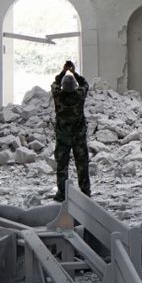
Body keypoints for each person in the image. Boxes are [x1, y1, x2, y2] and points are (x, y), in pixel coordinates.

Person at [51, 60, 90, 202]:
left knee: (62, 166)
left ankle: (62, 193)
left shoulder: (58, 96)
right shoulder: (79, 95)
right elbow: (85, 84)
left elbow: (54, 84)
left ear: (63, 86)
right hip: (78, 137)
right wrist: (74, 72)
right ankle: (85, 192)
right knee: (82, 165)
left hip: (63, 137)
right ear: (74, 86)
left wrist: (63, 72)